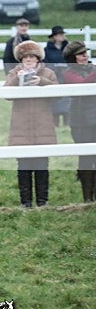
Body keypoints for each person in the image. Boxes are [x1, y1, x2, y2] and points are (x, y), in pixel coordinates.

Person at [4, 40, 58, 208]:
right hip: (21, 125)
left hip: (43, 124)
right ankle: (25, 202)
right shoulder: (14, 73)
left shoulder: (48, 73)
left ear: (38, 58)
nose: (28, 59)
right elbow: (6, 93)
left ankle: (42, 202)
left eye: (31, 56)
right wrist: (17, 81)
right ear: (20, 59)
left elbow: (58, 94)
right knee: (24, 165)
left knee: (42, 164)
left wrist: (41, 82)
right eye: (25, 57)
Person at [62, 41, 96, 202]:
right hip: (81, 121)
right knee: (85, 158)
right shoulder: (69, 73)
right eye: (81, 54)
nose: (85, 56)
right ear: (72, 57)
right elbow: (82, 85)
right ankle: (87, 198)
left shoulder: (93, 69)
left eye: (85, 53)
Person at [45, 25, 70, 126]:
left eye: (62, 34)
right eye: (59, 34)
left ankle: (67, 121)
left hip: (66, 76)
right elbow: (46, 63)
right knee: (55, 99)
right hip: (54, 76)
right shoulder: (47, 50)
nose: (62, 36)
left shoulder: (68, 48)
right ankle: (55, 121)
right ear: (54, 36)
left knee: (67, 99)